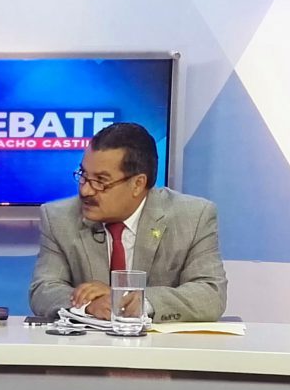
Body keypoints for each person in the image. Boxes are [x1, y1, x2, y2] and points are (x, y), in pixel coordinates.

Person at [29, 122, 227, 322]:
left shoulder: (193, 217)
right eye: (83, 176)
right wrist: (88, 306)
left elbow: (210, 294)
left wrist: (138, 301)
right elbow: (44, 290)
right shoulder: (59, 218)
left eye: (100, 181)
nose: (85, 190)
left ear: (138, 184)